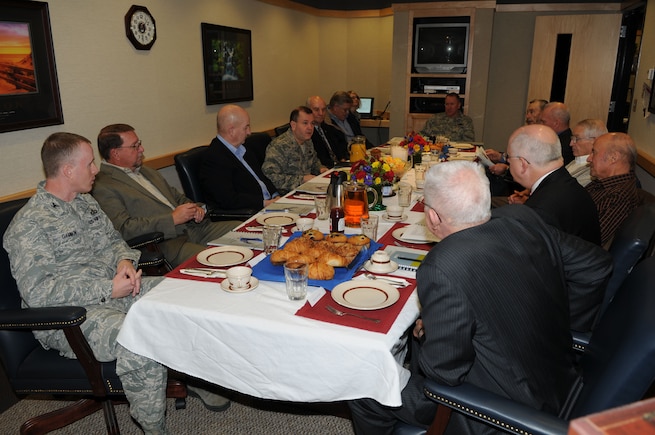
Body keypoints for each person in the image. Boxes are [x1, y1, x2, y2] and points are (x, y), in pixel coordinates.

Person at [348, 161, 612, 434]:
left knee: (365, 384)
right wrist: (567, 326)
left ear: (433, 218)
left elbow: (444, 373)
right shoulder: (525, 218)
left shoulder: (442, 266)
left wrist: (430, 332)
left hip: (490, 410)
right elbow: (597, 265)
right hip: (561, 382)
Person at [3, 132, 171, 434]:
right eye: (90, 163)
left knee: (179, 296)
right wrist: (107, 289)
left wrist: (123, 263)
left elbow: (115, 243)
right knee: (139, 338)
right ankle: (154, 429)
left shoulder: (86, 203)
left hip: (114, 291)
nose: (96, 169)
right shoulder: (29, 225)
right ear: (68, 170)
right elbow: (39, 294)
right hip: (69, 318)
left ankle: (200, 384)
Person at [92, 124, 239, 269]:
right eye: (135, 146)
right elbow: (125, 229)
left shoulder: (148, 172)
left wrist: (196, 208)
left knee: (249, 233)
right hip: (168, 243)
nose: (141, 149)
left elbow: (178, 198)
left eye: (140, 144)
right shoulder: (103, 186)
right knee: (223, 262)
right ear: (115, 153)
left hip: (196, 228)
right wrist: (172, 219)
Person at [507, 124, 602, 248]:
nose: (508, 163)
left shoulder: (540, 209)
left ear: (523, 164)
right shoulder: (566, 183)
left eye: (508, 158)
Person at [199, 104, 279, 211]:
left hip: (269, 203)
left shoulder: (244, 148)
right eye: (246, 127)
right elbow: (228, 199)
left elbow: (261, 178)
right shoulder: (213, 158)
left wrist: (275, 195)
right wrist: (264, 203)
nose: (249, 132)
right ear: (231, 130)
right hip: (250, 212)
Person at [586, 132, 640, 247]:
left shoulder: (619, 197)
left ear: (613, 158)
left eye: (594, 152)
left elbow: (589, 241)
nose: (589, 158)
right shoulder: (603, 184)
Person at [262, 106, 327, 195]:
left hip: (307, 190)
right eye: (305, 123)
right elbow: (270, 176)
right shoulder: (280, 146)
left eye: (312, 123)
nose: (310, 128)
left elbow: (314, 162)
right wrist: (302, 180)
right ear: (293, 125)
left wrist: (321, 169)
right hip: (288, 193)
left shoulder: (307, 141)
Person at [306, 95, 348, 168]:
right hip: (323, 169)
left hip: (339, 167)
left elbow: (342, 149)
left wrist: (342, 158)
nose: (321, 113)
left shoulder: (331, 130)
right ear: (308, 111)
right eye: (316, 109)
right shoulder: (306, 134)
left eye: (323, 109)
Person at [567, 119, 608, 187]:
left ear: (594, 141)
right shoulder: (575, 161)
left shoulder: (593, 170)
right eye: (572, 138)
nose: (571, 144)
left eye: (577, 139)